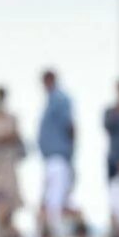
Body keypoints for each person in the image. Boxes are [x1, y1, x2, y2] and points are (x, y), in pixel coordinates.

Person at [39, 68, 76, 222]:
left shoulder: (60, 99)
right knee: (49, 198)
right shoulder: (50, 100)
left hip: (59, 157)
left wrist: (71, 152)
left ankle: (57, 229)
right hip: (51, 158)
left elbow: (70, 127)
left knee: (56, 200)